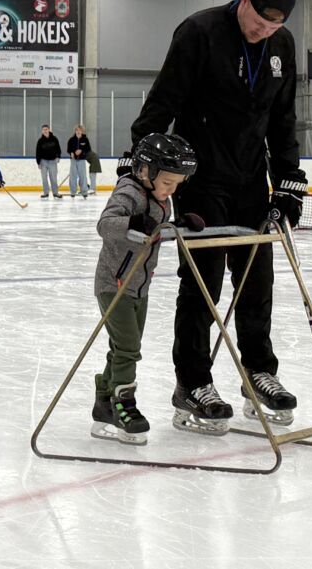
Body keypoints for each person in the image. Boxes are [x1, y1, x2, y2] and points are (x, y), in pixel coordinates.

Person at [127, 0, 302, 435]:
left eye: (273, 28)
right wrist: (143, 170)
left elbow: (283, 121)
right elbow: (163, 101)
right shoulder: (199, 33)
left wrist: (287, 184)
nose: (264, 33)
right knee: (202, 282)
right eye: (260, 23)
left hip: (250, 179)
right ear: (245, 1)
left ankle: (258, 372)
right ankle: (193, 382)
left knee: (255, 277)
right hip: (201, 178)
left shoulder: (282, 46)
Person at [90, 133, 202, 445]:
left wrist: (179, 226)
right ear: (145, 171)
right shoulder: (130, 192)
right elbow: (106, 224)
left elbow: (153, 232)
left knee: (121, 347)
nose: (172, 189)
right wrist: (133, 222)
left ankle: (104, 402)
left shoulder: (161, 200)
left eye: (177, 183)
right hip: (114, 284)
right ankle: (124, 404)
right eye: (167, 182)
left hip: (139, 286)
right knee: (128, 349)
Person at [35, 124, 63, 199]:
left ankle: (55, 193)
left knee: (53, 178)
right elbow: (38, 152)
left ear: (49, 130)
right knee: (44, 178)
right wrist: (38, 162)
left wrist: (58, 157)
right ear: (42, 131)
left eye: (46, 129)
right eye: (43, 129)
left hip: (53, 161)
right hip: (43, 162)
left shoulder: (54, 139)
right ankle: (46, 193)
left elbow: (58, 149)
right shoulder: (40, 141)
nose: (45, 131)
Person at [68, 124, 92, 199]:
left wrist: (81, 151)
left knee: (83, 176)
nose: (78, 131)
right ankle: (72, 192)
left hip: (81, 160)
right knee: (73, 176)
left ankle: (84, 192)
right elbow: (68, 149)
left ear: (82, 131)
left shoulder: (85, 140)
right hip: (73, 160)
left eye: (80, 130)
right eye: (77, 130)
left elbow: (88, 149)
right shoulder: (71, 140)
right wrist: (71, 153)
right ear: (75, 131)